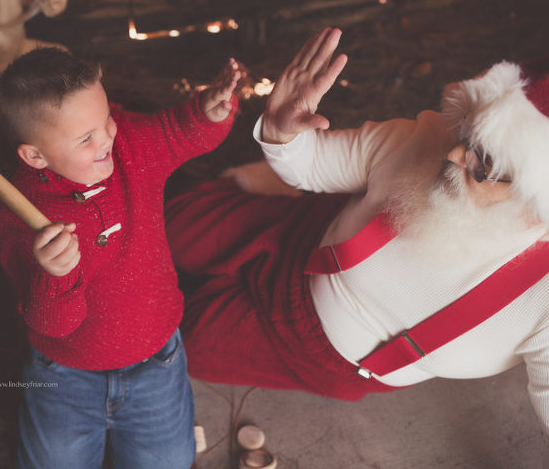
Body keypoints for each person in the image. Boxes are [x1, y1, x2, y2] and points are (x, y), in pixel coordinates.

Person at [165, 27, 549, 430]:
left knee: (181, 340)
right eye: (469, 133)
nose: (454, 153)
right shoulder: (428, 138)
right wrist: (284, 134)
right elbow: (312, 162)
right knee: (176, 223)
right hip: (295, 237)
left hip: (313, 354)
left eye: (484, 161)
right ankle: (250, 194)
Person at [0, 47, 240, 468]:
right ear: (35, 155)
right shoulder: (17, 215)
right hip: (64, 373)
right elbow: (53, 324)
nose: (106, 138)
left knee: (169, 462)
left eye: (105, 120)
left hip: (155, 361)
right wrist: (53, 274)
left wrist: (209, 113)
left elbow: (180, 132)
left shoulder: (130, 147)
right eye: (85, 138)